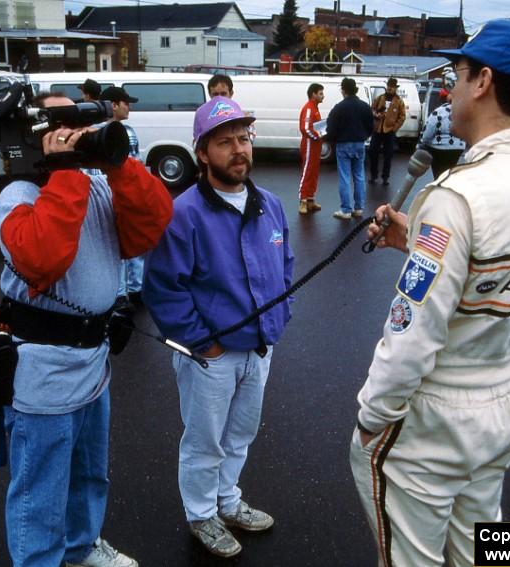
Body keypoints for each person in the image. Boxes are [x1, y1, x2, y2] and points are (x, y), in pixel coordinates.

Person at [349, 20, 510, 567]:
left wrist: (371, 416)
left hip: (435, 420)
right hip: (507, 399)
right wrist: (418, 242)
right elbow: (501, 283)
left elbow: (412, 335)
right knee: (478, 550)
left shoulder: (457, 196)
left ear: (482, 81)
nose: (449, 89)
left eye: (456, 75)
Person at [0, 94, 173, 567]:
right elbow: (43, 258)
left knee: (90, 472)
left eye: (77, 123)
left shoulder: (92, 187)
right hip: (44, 369)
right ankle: (39, 561)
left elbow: (149, 227)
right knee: (41, 487)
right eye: (60, 124)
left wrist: (120, 167)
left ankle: (81, 546)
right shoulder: (17, 195)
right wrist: (67, 171)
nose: (73, 131)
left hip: (92, 360)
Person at [143, 96, 294, 559]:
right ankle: (201, 515)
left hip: (259, 349)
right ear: (202, 153)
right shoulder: (184, 213)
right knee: (205, 441)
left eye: (243, 138)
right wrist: (201, 343)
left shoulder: (269, 205)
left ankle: (228, 501)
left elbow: (284, 266)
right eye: (224, 141)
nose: (238, 149)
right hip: (209, 355)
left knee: (240, 436)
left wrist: (277, 320)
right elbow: (164, 287)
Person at [99, 86, 144, 306]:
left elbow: (137, 165)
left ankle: (137, 289)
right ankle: (119, 294)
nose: (130, 107)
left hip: (129, 198)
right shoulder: (95, 135)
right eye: (126, 103)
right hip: (108, 199)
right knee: (113, 247)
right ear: (113, 105)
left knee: (133, 244)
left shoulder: (130, 132)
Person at [326, 77, 373, 220]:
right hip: (359, 143)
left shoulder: (339, 107)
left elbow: (331, 127)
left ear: (343, 90)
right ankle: (359, 208)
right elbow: (371, 126)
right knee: (359, 176)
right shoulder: (365, 106)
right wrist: (364, 136)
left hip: (343, 144)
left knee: (345, 177)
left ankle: (346, 209)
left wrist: (332, 139)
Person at [418, 70, 465, 178]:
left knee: (439, 174)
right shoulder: (462, 112)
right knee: (449, 172)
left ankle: (439, 188)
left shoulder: (438, 112)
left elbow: (428, 133)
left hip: (439, 148)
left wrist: (423, 142)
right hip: (458, 147)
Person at [369, 77, 406, 185]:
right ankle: (373, 175)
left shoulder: (399, 101)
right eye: (389, 86)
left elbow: (402, 117)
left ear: (395, 88)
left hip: (389, 131)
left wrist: (394, 128)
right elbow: (372, 109)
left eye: (392, 87)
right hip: (378, 130)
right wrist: (375, 115)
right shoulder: (380, 98)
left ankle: (385, 177)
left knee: (388, 155)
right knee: (372, 151)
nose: (390, 88)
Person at [297, 82, 325, 215]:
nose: (323, 96)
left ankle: (310, 199)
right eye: (320, 93)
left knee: (314, 172)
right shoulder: (309, 108)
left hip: (315, 144)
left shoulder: (315, 108)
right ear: (313, 94)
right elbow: (305, 128)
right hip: (309, 144)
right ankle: (302, 200)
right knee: (307, 171)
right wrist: (317, 135)